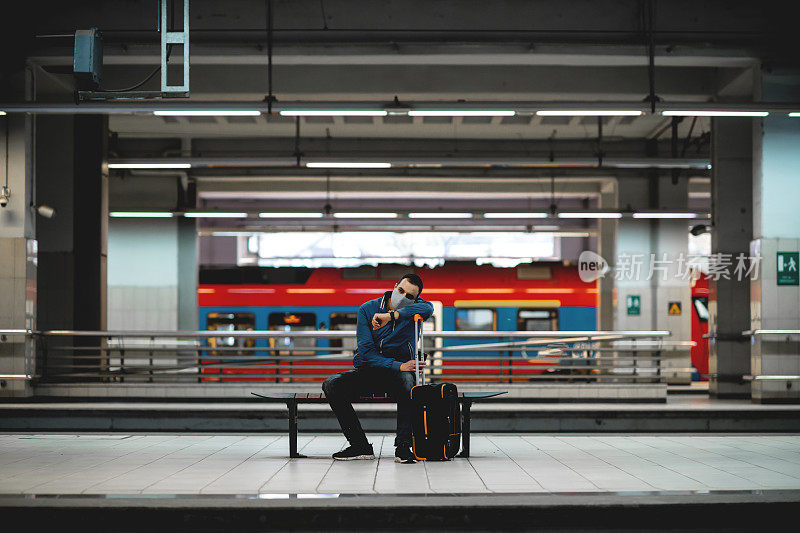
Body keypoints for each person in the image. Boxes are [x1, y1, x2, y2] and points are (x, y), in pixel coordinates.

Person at [322, 273, 433, 464]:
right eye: (400, 290)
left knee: (408, 383)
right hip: (372, 370)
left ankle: (403, 447)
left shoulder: (415, 309)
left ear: (415, 299)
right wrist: (399, 365)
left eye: (409, 296)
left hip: (400, 375)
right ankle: (359, 445)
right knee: (331, 384)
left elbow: (428, 307)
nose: (403, 297)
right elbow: (366, 354)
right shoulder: (367, 309)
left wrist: (391, 316)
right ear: (394, 286)